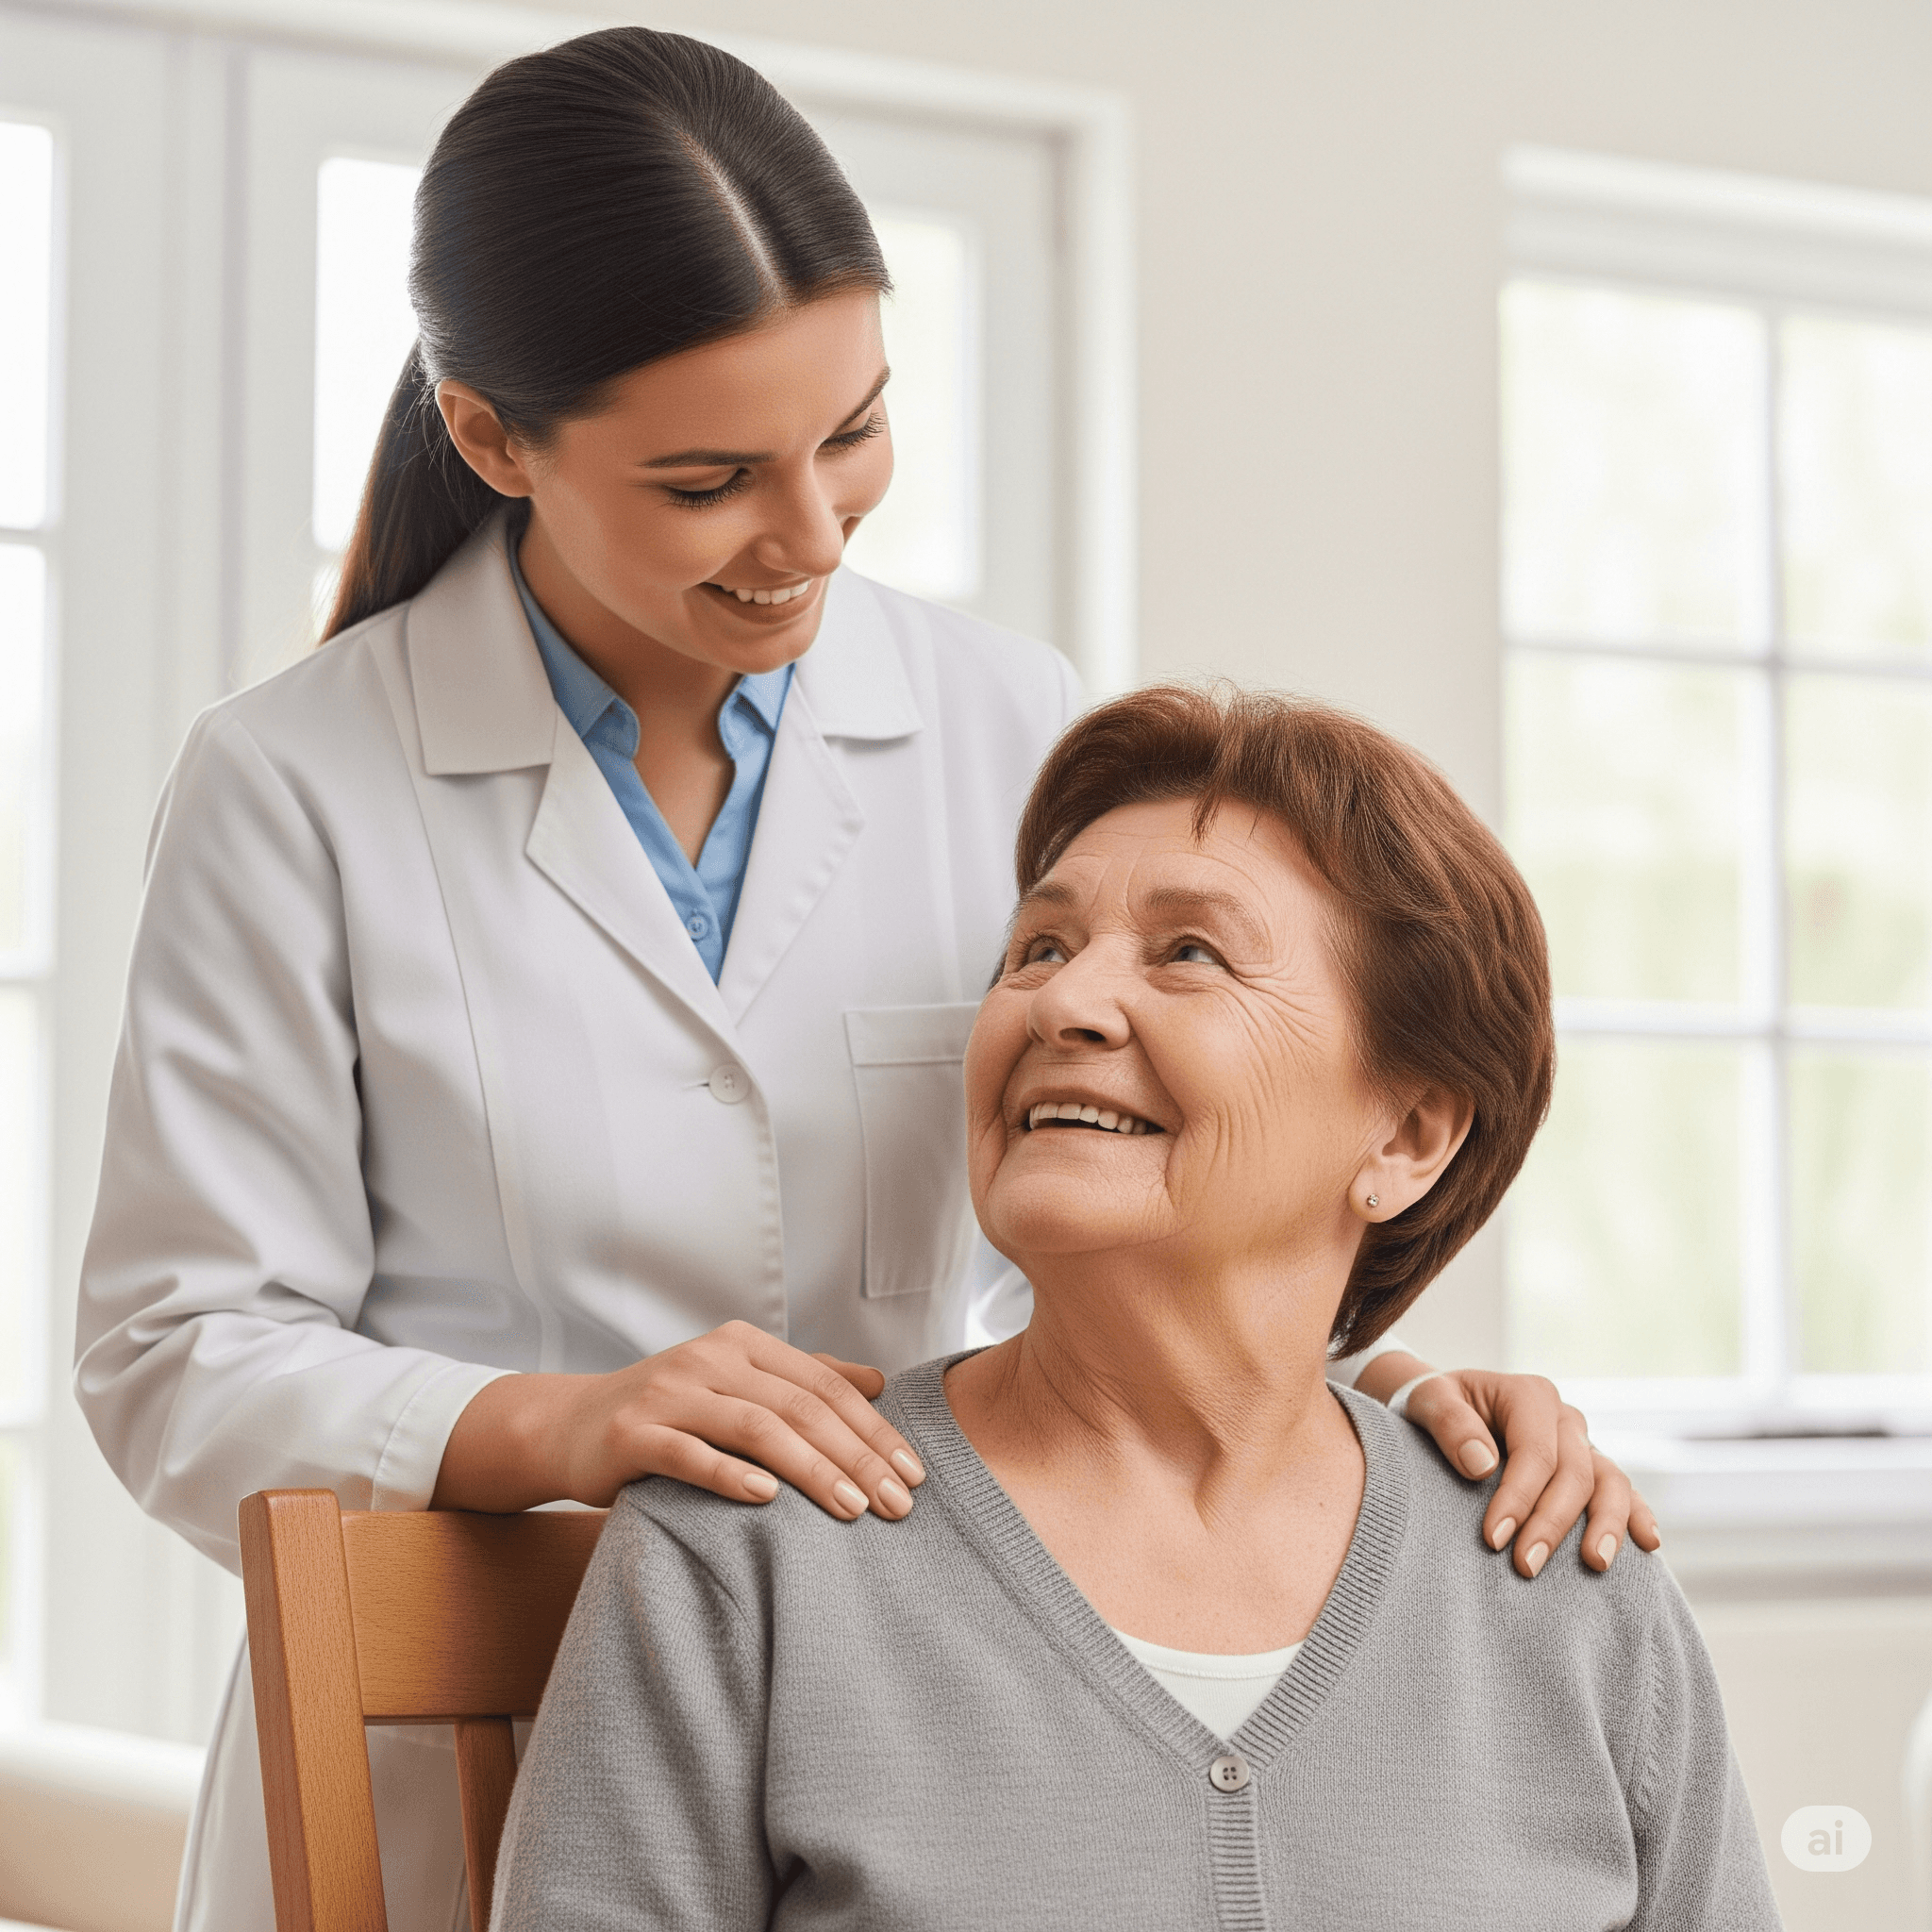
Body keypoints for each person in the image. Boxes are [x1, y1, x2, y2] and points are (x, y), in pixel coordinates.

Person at [73, 28, 1652, 1932]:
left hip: (901, 1715)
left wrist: (1379, 1384)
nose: (814, 536)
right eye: (708, 478)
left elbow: (1130, 1165)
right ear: (494, 437)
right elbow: (178, 1357)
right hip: (449, 1741)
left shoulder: (1003, 717)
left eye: (854, 433)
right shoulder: (294, 783)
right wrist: (568, 1422)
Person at [494, 686, 1777, 1932]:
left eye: (1189, 953)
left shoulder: (1563, 1572)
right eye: (1039, 948)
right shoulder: (749, 1551)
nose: (1062, 1002)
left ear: (1410, 1132)